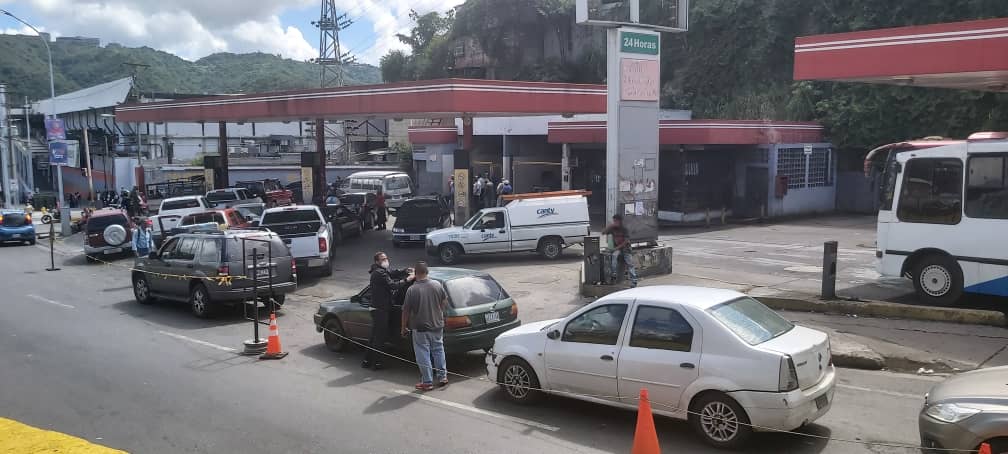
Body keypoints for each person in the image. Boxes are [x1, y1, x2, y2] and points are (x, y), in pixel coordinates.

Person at [401, 261, 448, 391]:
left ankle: (427, 382)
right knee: (438, 350)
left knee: (423, 353)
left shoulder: (412, 289)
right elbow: (444, 302)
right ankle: (442, 376)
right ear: (427, 272)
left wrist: (403, 327)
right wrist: (438, 312)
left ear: (415, 274)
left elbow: (406, 311)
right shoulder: (437, 285)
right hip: (437, 324)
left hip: (420, 327)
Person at [365, 251, 413, 370]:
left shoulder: (382, 271)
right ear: (377, 262)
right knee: (379, 337)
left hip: (381, 308)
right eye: (382, 259)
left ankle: (367, 360)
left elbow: (393, 272)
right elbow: (393, 285)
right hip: (380, 309)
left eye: (386, 258)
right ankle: (376, 363)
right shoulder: (379, 273)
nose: (385, 260)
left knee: (374, 336)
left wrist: (405, 270)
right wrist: (408, 279)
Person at [602, 214, 638, 287]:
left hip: (626, 249)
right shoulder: (613, 229)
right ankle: (614, 275)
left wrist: (617, 248)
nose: (615, 222)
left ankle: (634, 281)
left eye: (616, 221)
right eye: (614, 221)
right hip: (617, 249)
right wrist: (610, 226)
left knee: (630, 263)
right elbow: (603, 232)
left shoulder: (624, 229)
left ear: (620, 221)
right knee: (614, 257)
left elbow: (626, 242)